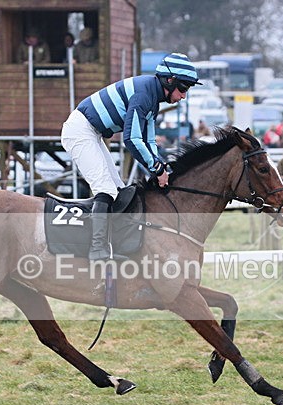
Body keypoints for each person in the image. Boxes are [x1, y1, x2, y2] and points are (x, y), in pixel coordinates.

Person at [61, 52, 198, 261]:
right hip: (80, 130)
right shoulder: (144, 94)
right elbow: (131, 139)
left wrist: (160, 166)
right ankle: (96, 248)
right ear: (169, 81)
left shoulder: (153, 99)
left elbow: (150, 142)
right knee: (105, 188)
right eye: (183, 88)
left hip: (92, 133)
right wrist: (157, 169)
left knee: (118, 190)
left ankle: (114, 242)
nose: (183, 96)